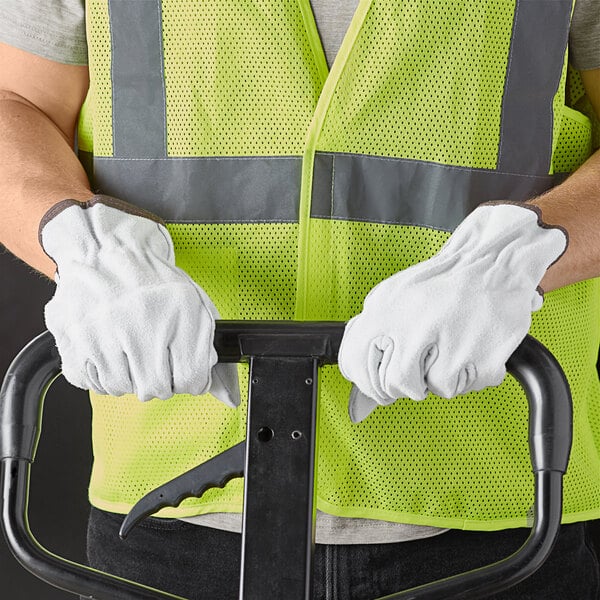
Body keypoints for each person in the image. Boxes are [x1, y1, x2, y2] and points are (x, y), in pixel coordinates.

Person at [1, 1, 600, 598]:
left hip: (496, 500)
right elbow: (17, 103)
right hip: (168, 502)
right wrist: (85, 249)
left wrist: (517, 257)